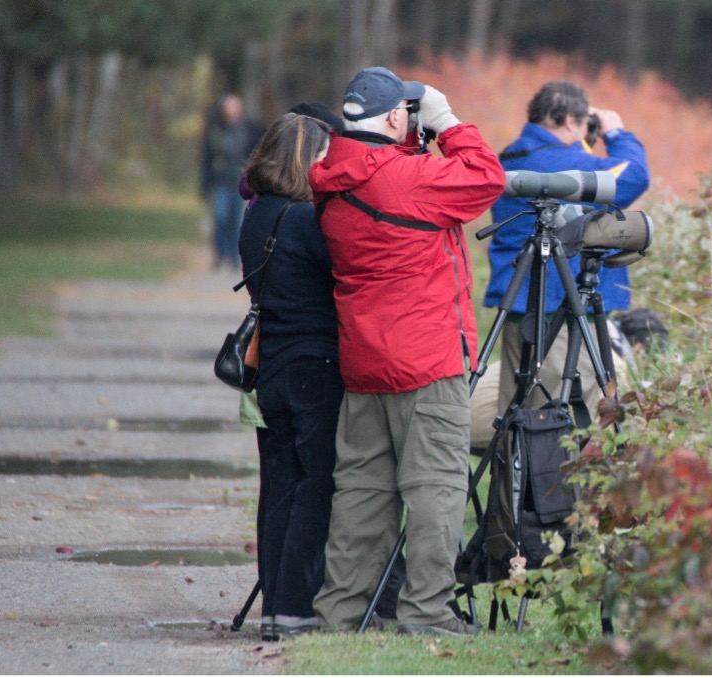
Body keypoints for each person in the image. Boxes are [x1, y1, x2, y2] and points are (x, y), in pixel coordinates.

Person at [309, 66, 505, 636]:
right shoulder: (411, 181)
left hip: (364, 360)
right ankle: (424, 614)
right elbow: (486, 178)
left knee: (362, 493)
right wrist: (444, 121)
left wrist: (410, 137)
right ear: (396, 117)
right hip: (425, 360)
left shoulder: (332, 177)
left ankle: (339, 614)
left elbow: (383, 169)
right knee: (436, 489)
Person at [482, 80, 650, 420]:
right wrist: (616, 133)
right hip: (561, 310)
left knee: (517, 415)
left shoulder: (511, 156)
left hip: (518, 309)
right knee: (569, 418)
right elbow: (633, 176)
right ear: (572, 121)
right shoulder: (564, 165)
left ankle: (514, 473)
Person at [237, 112, 340, 640]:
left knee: (277, 487)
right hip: (314, 366)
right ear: (308, 159)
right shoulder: (308, 221)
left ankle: (274, 603)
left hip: (270, 368)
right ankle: (298, 607)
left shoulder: (256, 214)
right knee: (315, 485)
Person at [202, 93, 263, 269]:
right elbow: (207, 158)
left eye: (235, 107)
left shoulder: (249, 129)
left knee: (237, 220)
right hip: (220, 182)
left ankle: (234, 257)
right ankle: (220, 255)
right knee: (220, 218)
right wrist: (205, 184)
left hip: (240, 182)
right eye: (229, 107)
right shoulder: (215, 131)